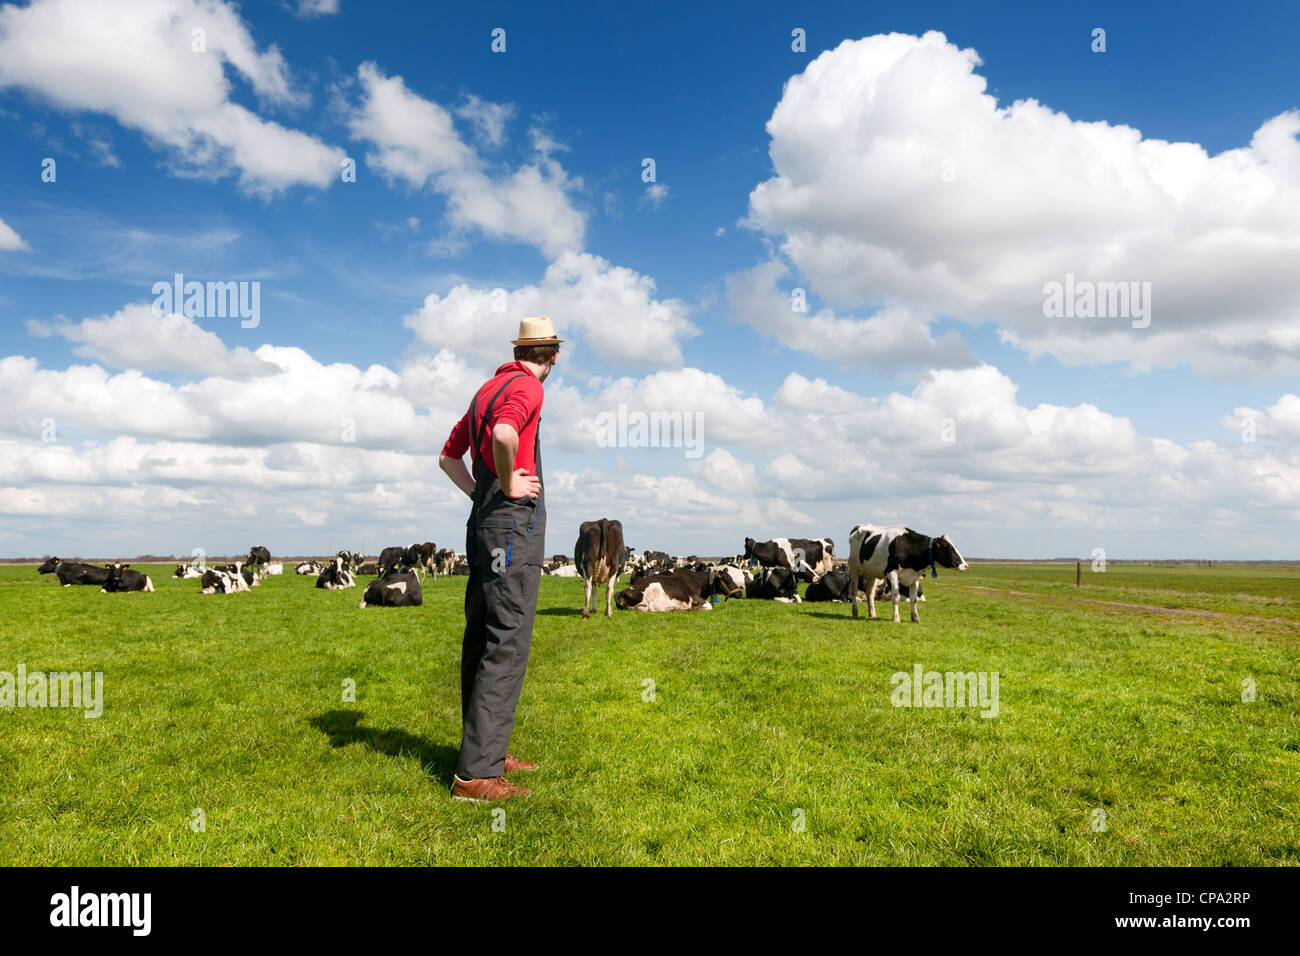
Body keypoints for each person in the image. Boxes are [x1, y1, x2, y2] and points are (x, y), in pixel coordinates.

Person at [437, 316, 561, 802]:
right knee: (507, 639)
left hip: (483, 527)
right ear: (552, 355)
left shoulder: (484, 391)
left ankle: (486, 750)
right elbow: (507, 434)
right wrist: (508, 485)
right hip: (511, 529)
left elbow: (448, 457)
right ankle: (475, 777)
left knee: (482, 634)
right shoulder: (528, 391)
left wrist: (477, 495)